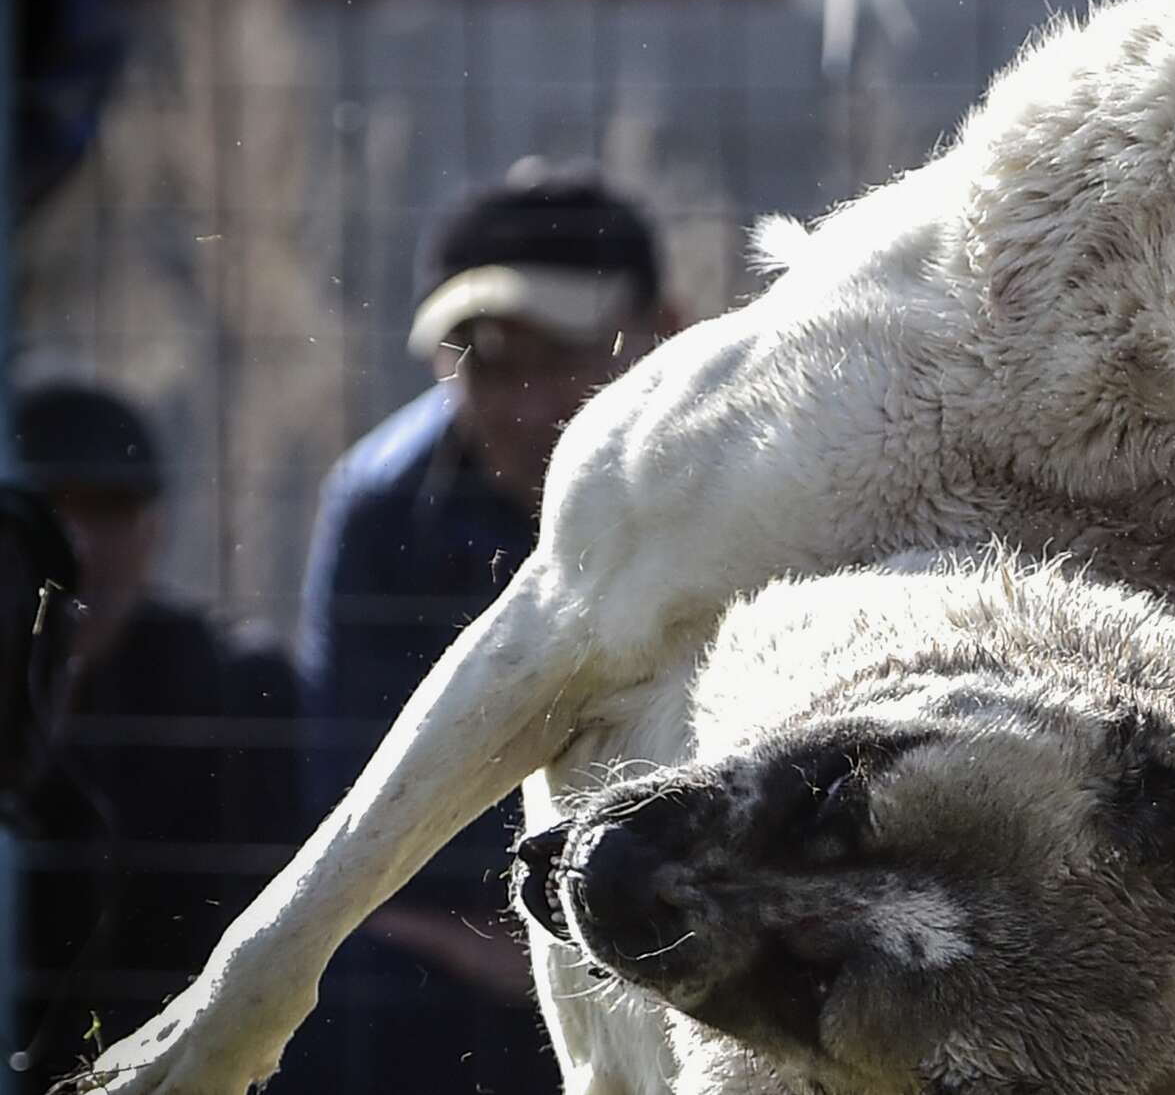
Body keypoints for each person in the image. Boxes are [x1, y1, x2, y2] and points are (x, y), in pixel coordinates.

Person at [292, 166, 679, 1092]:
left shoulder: (751, 485)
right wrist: (515, 946)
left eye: (566, 355)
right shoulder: (379, 509)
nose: (528, 404)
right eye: (491, 365)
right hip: (454, 952)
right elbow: (357, 797)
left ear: (664, 332)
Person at [3, 382, 301, 1089]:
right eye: (54, 508)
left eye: (111, 508)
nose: (80, 543)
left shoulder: (234, 693)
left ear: (153, 529)